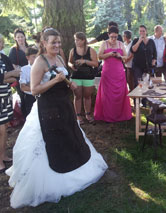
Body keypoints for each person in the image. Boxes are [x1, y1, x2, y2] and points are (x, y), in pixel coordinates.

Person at [5, 28, 108, 208]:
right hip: (48, 109)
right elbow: (34, 89)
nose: (57, 45)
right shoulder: (39, 62)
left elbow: (63, 78)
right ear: (44, 43)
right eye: (53, 42)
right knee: (52, 141)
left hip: (63, 106)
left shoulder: (59, 57)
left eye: (59, 42)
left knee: (70, 135)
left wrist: (71, 84)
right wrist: (54, 81)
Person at [94, 26, 132, 122]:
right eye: (112, 37)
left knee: (120, 93)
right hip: (107, 72)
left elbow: (126, 57)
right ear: (108, 35)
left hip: (119, 72)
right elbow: (99, 57)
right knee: (107, 94)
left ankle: (120, 114)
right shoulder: (104, 44)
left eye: (115, 37)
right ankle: (107, 115)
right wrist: (109, 54)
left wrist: (120, 56)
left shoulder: (120, 44)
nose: (114, 39)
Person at [68, 32, 98, 124]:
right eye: (75, 39)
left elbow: (96, 64)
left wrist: (85, 61)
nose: (75, 41)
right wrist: (71, 65)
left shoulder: (90, 50)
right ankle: (78, 116)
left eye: (77, 40)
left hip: (88, 76)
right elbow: (69, 62)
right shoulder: (73, 50)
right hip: (76, 76)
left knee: (87, 96)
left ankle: (88, 114)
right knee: (77, 96)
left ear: (83, 40)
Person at [0, 52, 20, 173]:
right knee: (1, 130)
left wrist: (6, 76)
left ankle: (2, 155)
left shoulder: (4, 57)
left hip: (6, 98)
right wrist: (10, 75)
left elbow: (16, 77)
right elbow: (13, 74)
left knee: (5, 128)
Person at [9, 28, 28, 117]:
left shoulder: (30, 48)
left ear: (25, 37)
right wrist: (23, 72)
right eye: (18, 37)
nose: (20, 39)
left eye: (22, 36)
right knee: (23, 97)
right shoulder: (14, 50)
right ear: (15, 39)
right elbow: (13, 65)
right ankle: (25, 116)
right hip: (20, 77)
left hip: (32, 75)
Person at [19, 46, 38, 118]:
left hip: (42, 97)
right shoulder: (24, 69)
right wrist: (36, 88)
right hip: (30, 97)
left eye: (37, 57)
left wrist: (30, 84)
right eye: (34, 57)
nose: (36, 59)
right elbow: (23, 87)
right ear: (27, 57)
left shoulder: (42, 68)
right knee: (31, 117)